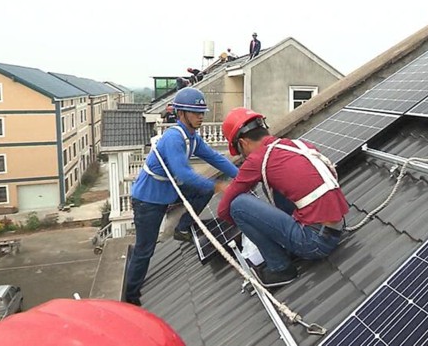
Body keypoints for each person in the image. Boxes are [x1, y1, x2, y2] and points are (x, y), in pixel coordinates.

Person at [124, 88, 238, 306]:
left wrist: (242, 177)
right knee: (145, 249)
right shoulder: (174, 138)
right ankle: (129, 296)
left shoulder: (192, 137)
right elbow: (183, 173)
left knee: (202, 190)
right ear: (181, 114)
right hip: (148, 199)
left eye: (201, 112)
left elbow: (215, 158)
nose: (201, 116)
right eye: (195, 112)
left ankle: (182, 228)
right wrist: (217, 186)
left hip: (167, 191)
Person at [217, 108, 348, 287]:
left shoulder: (258, 159)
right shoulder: (299, 145)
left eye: (240, 152)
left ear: (243, 143)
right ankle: (291, 244)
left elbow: (224, 210)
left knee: (238, 205)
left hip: (314, 242)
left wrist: (256, 228)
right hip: (336, 228)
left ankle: (280, 269)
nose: (243, 157)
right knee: (273, 183)